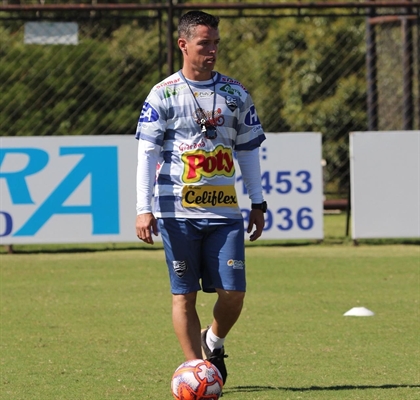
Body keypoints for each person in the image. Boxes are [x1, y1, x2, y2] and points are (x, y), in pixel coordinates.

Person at [135, 10, 267, 385]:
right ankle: (198, 370)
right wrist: (144, 209)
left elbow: (248, 152)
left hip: (224, 213)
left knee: (233, 293)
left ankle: (214, 339)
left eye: (215, 43)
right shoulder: (163, 94)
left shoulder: (235, 94)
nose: (212, 50)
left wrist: (258, 203)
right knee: (184, 295)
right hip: (176, 212)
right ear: (183, 44)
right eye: (204, 43)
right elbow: (146, 154)